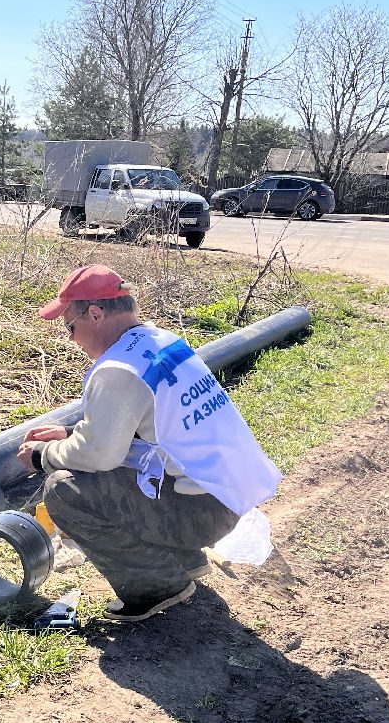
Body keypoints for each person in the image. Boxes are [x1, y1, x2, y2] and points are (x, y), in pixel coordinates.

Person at [16, 264, 281, 621]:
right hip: (225, 498)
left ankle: (156, 583)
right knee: (116, 480)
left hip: (199, 514)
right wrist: (69, 433)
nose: (73, 338)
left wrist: (43, 455)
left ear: (94, 314)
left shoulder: (116, 370)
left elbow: (99, 455)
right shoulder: (160, 341)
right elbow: (148, 428)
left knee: (64, 490)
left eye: (70, 327)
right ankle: (183, 561)